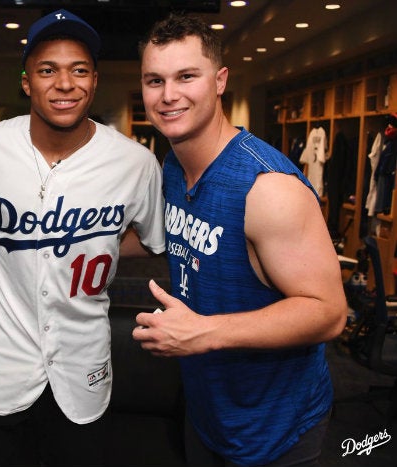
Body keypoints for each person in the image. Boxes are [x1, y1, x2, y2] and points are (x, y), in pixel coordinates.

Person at [0, 9, 166, 466]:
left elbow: (150, 241)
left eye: (79, 70)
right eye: (47, 70)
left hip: (81, 368)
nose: (64, 83)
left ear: (94, 81)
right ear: (26, 82)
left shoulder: (136, 163)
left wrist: (94, 240)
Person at [133, 13, 348, 467]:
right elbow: (173, 238)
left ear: (219, 81)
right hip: (208, 408)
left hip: (275, 426)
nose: (169, 95)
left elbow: (329, 313)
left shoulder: (267, 187)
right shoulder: (173, 165)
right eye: (155, 80)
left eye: (186, 76)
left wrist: (204, 332)